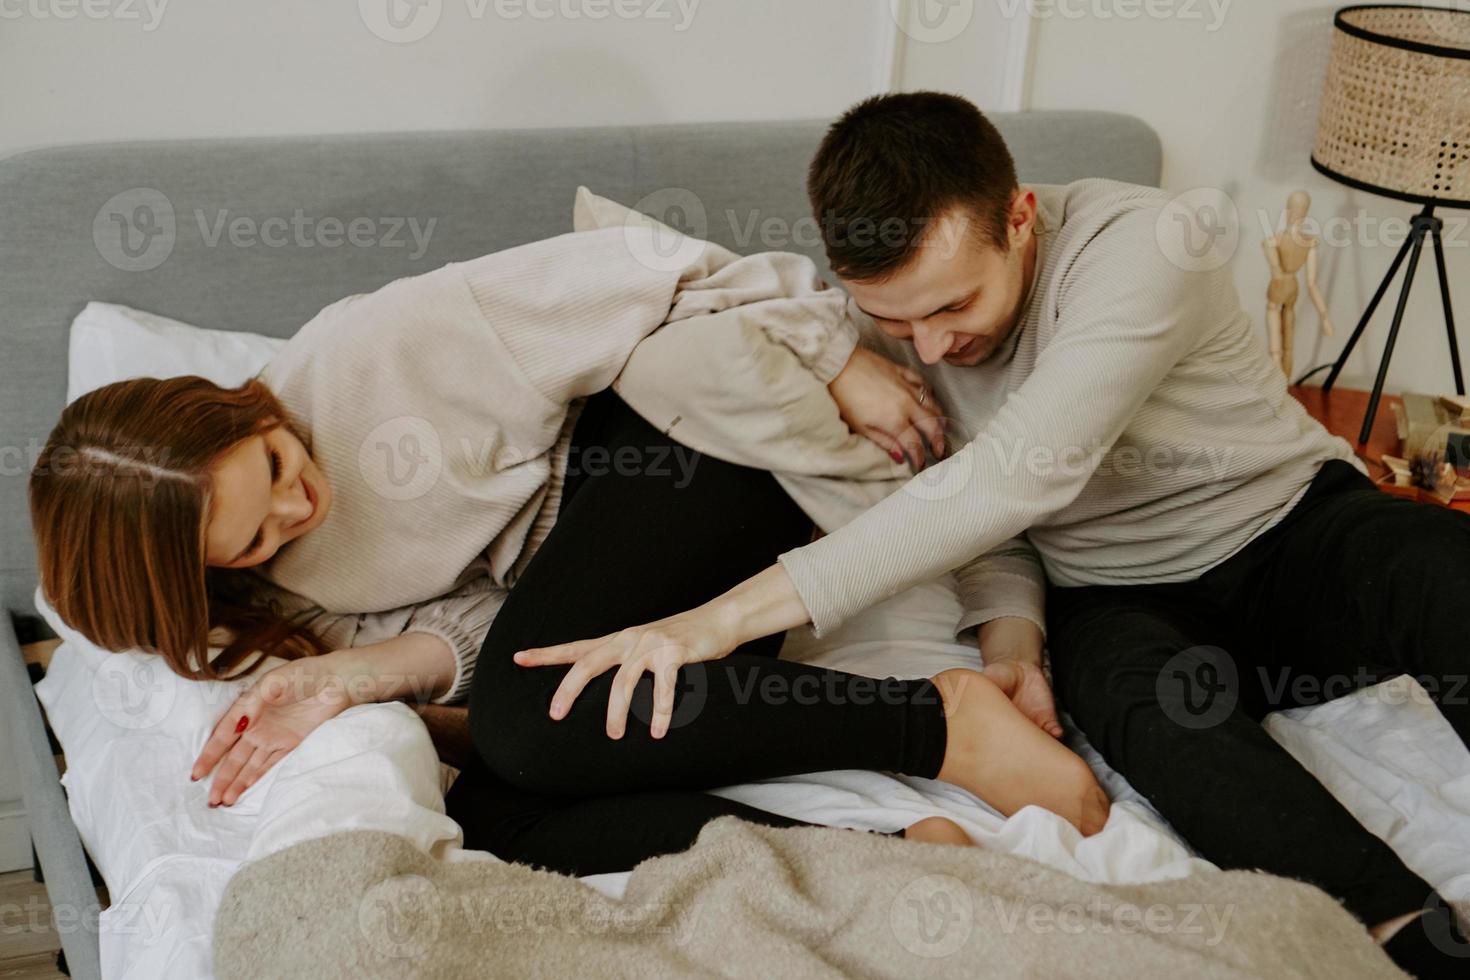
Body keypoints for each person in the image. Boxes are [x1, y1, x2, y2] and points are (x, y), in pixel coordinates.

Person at [516, 93, 1470, 975]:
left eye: (951, 307)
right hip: (1112, 592)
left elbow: (1018, 472)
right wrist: (1011, 628)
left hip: (1289, 527)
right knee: (1158, 727)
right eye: (895, 318)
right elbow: (972, 509)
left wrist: (718, 623)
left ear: (1019, 218)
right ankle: (1404, 933)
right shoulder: (880, 324)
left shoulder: (1147, 243)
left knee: (1436, 568)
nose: (929, 347)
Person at [28, 222, 1107, 879]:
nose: (296, 508)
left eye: (269, 466)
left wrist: (834, 358)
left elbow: (649, 268)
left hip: (677, 450)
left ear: (239, 407)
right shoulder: (268, 593)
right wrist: (353, 674)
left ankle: (938, 720)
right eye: (254, 535)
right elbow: (497, 647)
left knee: (512, 720)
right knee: (491, 797)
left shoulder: (383, 348)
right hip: (605, 599)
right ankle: (873, 859)